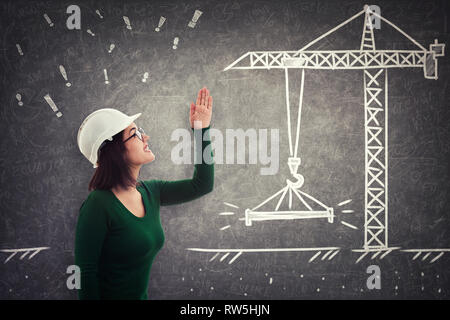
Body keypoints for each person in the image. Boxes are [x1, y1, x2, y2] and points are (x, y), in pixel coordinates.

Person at [75, 87, 214, 299]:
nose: (145, 136)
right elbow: (86, 275)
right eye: (135, 134)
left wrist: (201, 130)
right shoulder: (98, 205)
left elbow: (202, 184)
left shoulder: (151, 191)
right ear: (116, 152)